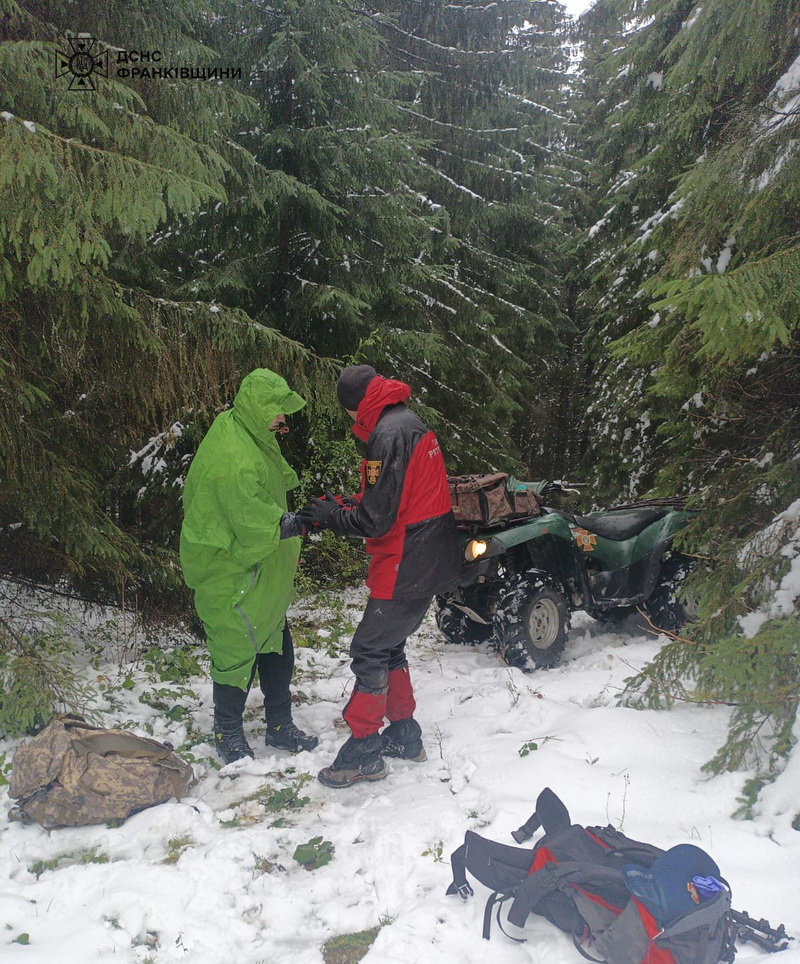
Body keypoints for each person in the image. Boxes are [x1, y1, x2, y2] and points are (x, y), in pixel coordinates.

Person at [300, 365, 460, 788]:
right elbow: (396, 495)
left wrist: (332, 516)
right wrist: (346, 503)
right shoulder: (405, 422)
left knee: (369, 650)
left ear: (355, 407)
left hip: (407, 557)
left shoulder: (387, 434)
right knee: (390, 646)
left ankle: (363, 752)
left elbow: (375, 520)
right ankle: (405, 735)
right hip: (426, 553)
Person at [180, 368, 318, 764]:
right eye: (276, 410)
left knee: (276, 640)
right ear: (258, 407)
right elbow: (252, 517)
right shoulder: (233, 458)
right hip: (231, 568)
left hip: (260, 565)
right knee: (234, 650)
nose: (283, 419)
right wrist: (304, 520)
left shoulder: (245, 428)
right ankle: (226, 733)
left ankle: (279, 726)